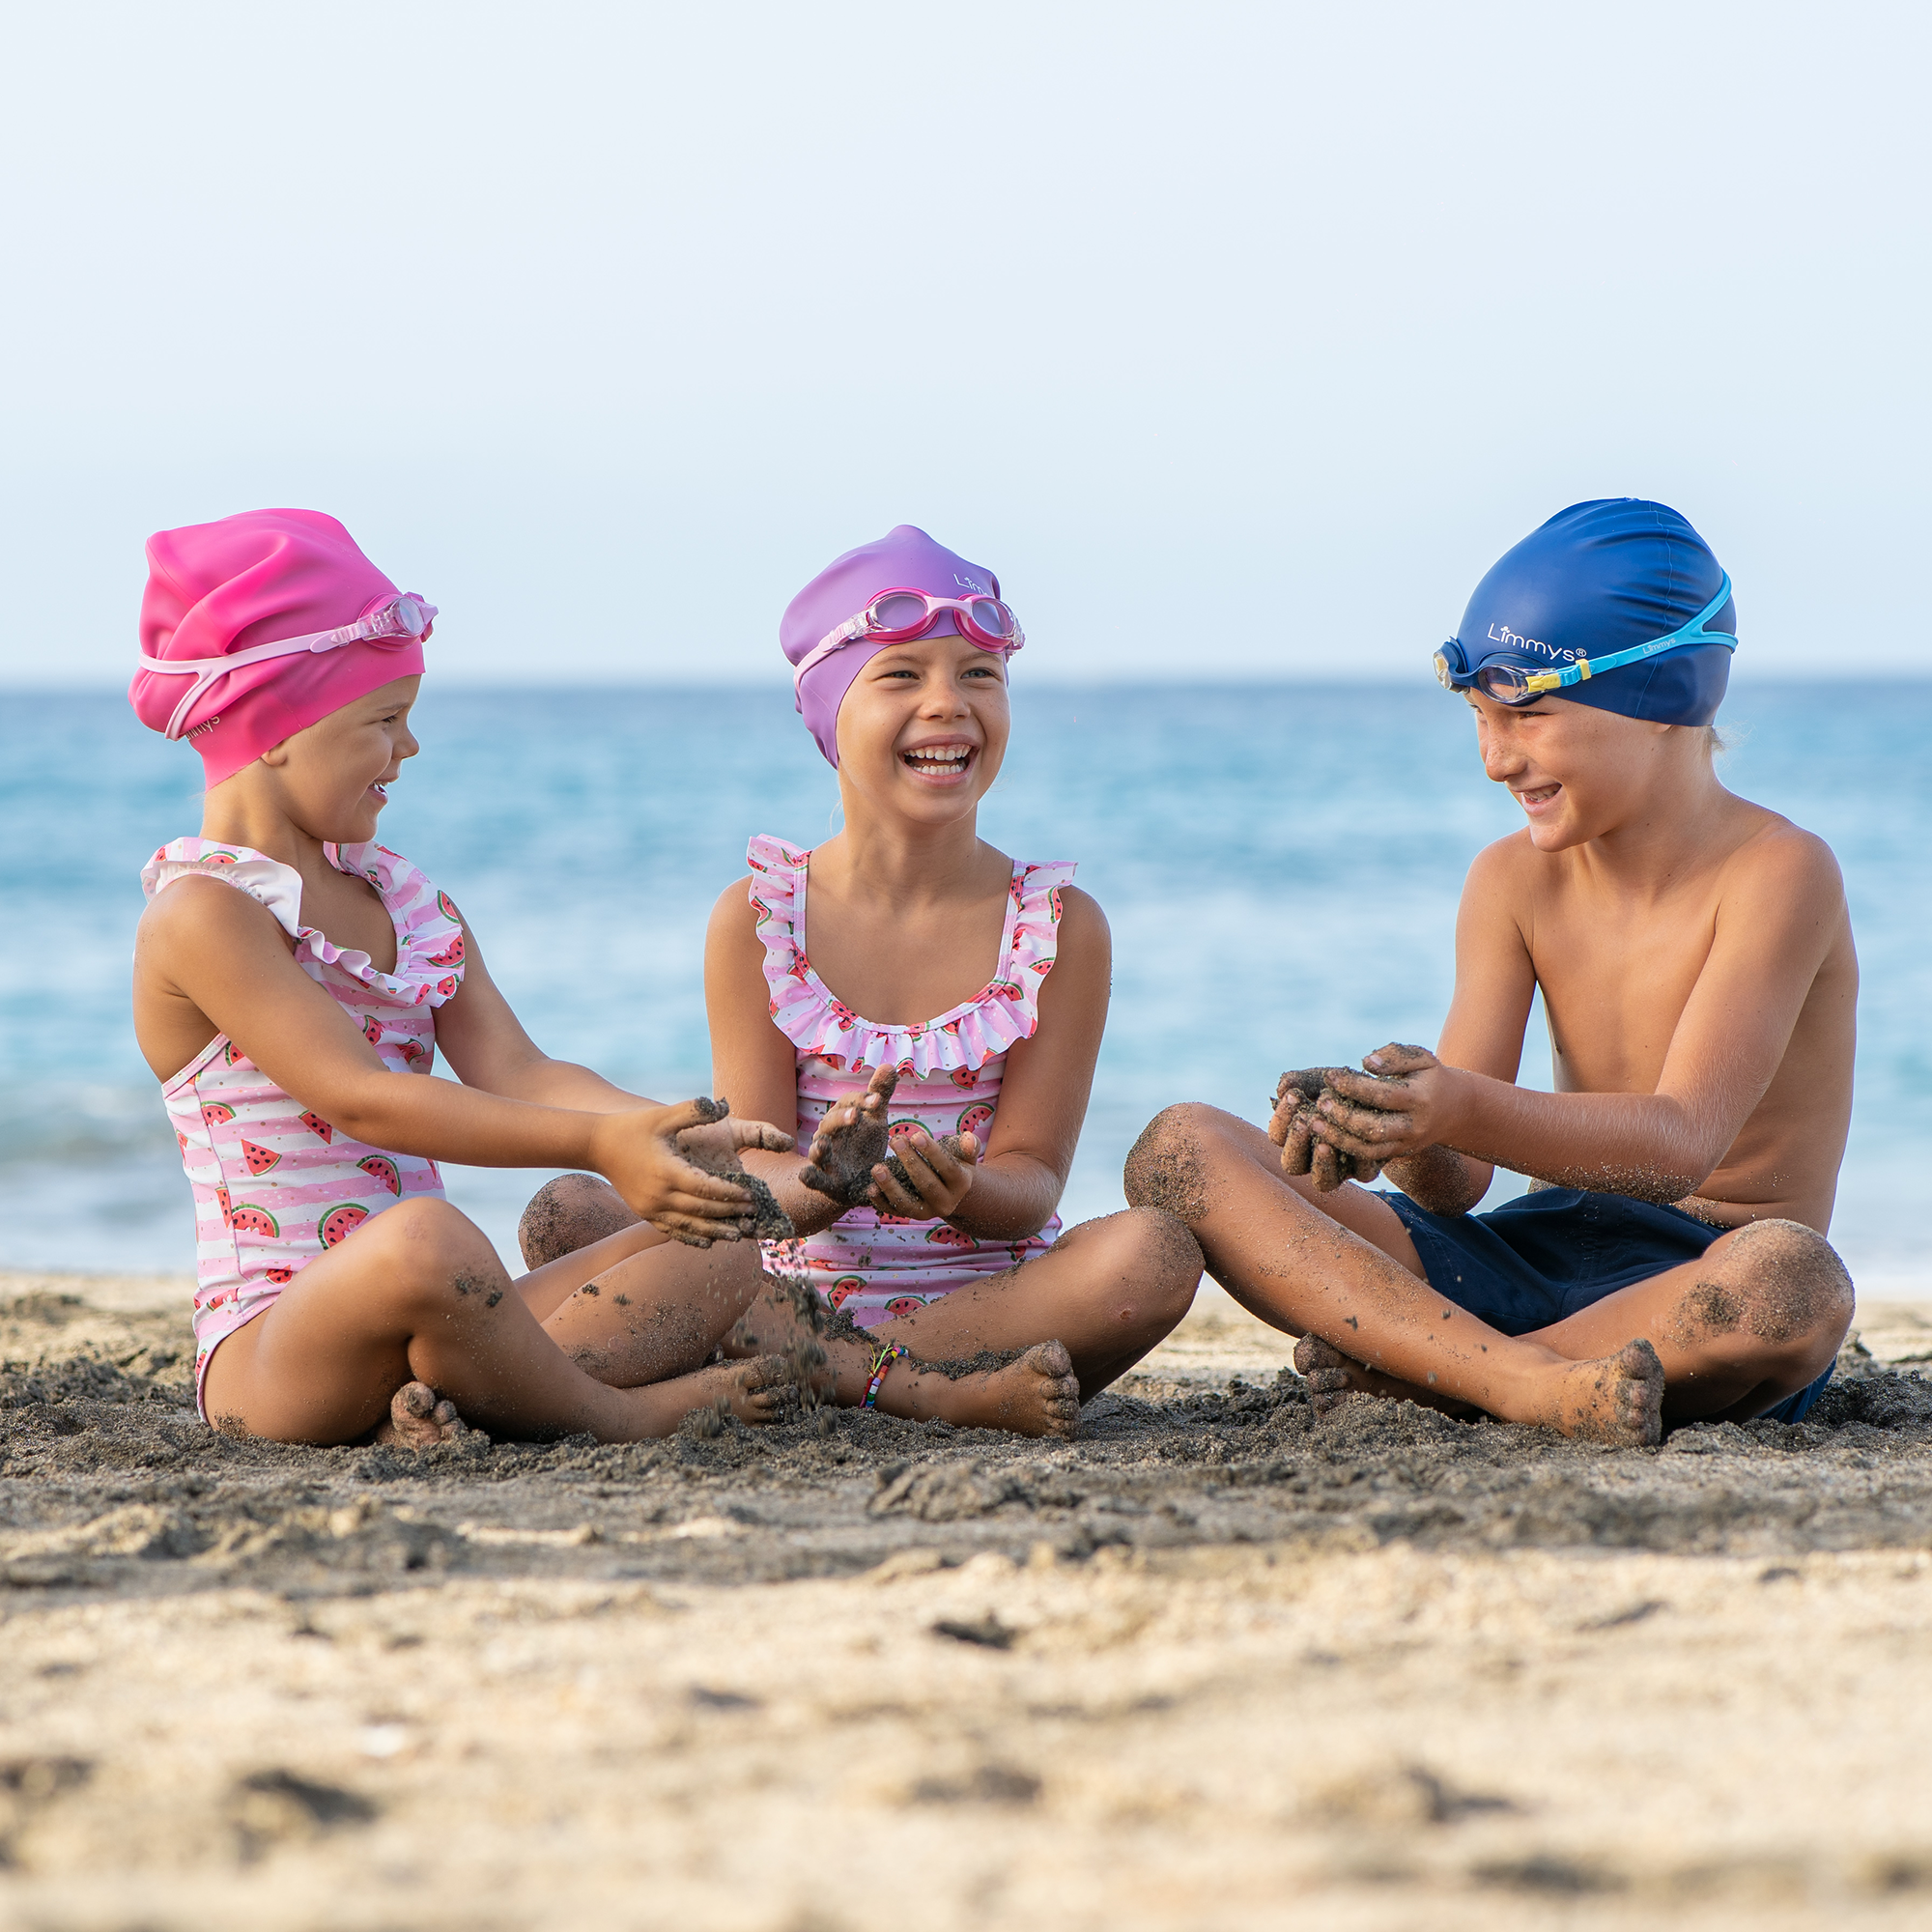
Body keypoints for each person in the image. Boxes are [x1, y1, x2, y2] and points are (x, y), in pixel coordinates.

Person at [1124, 498, 1855, 1446]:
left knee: (1793, 1279)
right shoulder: (1509, 878)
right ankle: (1512, 1379)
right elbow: (1454, 1182)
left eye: (1526, 713)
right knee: (1178, 1148)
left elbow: (1680, 1144)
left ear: (1665, 696)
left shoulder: (1777, 871)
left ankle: (1445, 1373)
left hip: (1690, 1285)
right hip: (1518, 1258)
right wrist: (1392, 1125)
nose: (1493, 757)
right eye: (1477, 717)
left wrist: (1455, 1104)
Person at [129, 508, 802, 1447]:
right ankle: (614, 1412)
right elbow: (363, 1098)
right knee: (426, 1236)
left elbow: (519, 1071)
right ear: (277, 727)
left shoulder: (403, 900)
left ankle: (448, 1401)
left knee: (728, 1242)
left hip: (439, 1312)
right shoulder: (204, 913)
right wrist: (599, 1143)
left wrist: (663, 1128)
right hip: (272, 1358)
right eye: (384, 720)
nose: (408, 748)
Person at [525, 526, 1203, 1436]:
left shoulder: (1059, 928)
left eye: (978, 674)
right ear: (829, 716)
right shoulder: (760, 918)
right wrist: (824, 1178)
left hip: (981, 1310)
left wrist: (961, 1191)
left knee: (1154, 1253)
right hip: (780, 1294)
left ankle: (838, 1374)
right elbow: (750, 1158)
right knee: (568, 1210)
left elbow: (1034, 1180)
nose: (948, 703)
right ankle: (888, 1382)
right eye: (901, 675)